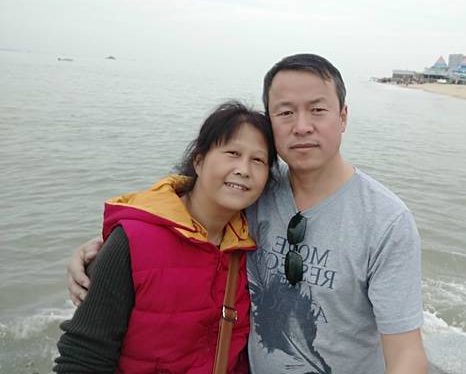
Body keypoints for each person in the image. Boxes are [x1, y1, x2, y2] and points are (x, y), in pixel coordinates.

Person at [68, 54, 428, 374]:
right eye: (285, 112)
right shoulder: (255, 192)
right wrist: (109, 248)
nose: (302, 125)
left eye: (318, 110)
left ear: (343, 116)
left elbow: (406, 353)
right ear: (271, 123)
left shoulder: (386, 221)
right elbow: (181, 213)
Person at [55, 102, 277, 373]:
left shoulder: (252, 246)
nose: (244, 169)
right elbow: (83, 356)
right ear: (199, 161)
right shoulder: (132, 241)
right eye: (233, 153)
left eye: (258, 160)